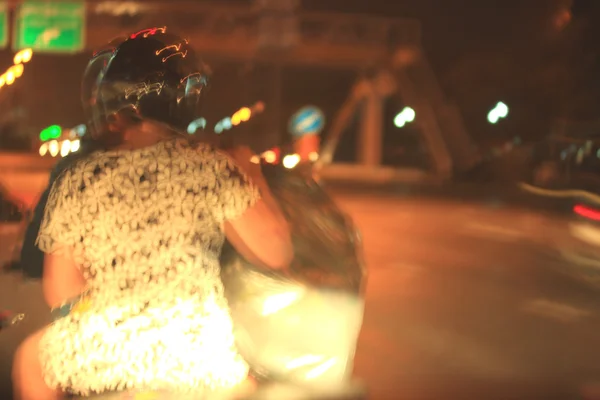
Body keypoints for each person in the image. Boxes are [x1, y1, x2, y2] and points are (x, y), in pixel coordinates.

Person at [12, 28, 293, 400]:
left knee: (30, 359)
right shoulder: (212, 167)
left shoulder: (79, 178)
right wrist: (253, 176)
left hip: (103, 356)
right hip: (197, 357)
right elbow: (277, 253)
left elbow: (60, 292)